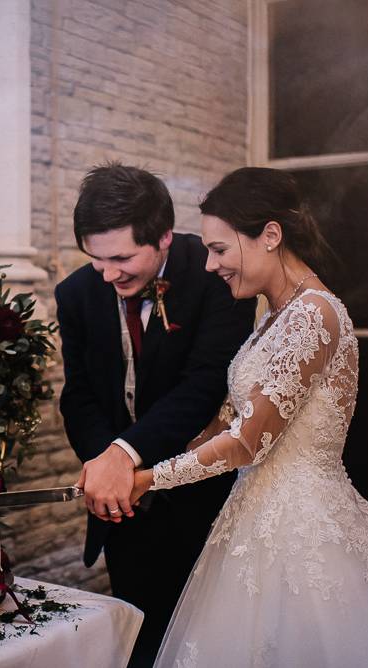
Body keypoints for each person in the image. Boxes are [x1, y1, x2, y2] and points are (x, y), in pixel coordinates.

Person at [126, 167, 368, 666]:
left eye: (219, 249)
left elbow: (247, 443)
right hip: (255, 518)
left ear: (270, 235)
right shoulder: (274, 316)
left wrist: (149, 479)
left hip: (302, 534)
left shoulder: (314, 314)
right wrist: (135, 461)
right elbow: (224, 423)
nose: (208, 265)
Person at [55, 163, 256, 667]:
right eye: (95, 258)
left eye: (121, 258)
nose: (107, 274)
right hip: (123, 511)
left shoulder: (215, 275)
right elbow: (78, 395)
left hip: (203, 499)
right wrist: (108, 466)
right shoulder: (76, 294)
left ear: (164, 236)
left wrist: (127, 453)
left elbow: (205, 385)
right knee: (141, 645)